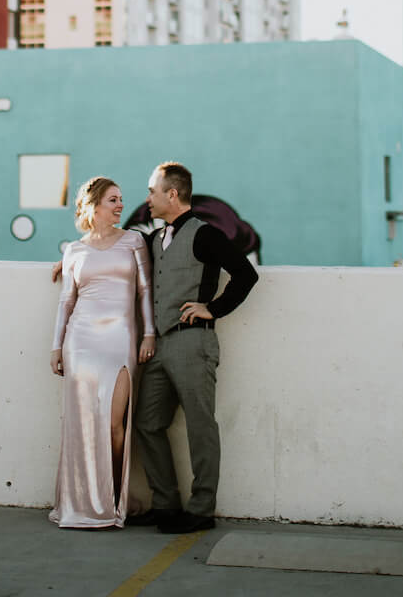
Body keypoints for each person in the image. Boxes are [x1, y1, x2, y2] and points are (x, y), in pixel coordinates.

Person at [131, 160, 258, 534]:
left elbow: (246, 274)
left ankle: (201, 510)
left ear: (172, 194)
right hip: (158, 345)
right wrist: (72, 257)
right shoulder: (154, 239)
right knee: (147, 423)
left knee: (200, 426)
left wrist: (212, 309)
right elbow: (113, 251)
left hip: (193, 342)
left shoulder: (206, 235)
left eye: (152, 191)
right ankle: (166, 505)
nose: (148, 199)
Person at [49, 176, 156, 529]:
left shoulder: (134, 241)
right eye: (113, 200)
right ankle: (83, 502)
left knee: (114, 425)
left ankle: (111, 500)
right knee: (82, 425)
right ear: (94, 206)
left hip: (121, 340)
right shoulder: (74, 250)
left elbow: (145, 291)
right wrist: (56, 346)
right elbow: (66, 301)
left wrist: (149, 334)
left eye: (121, 199)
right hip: (80, 341)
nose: (120, 205)